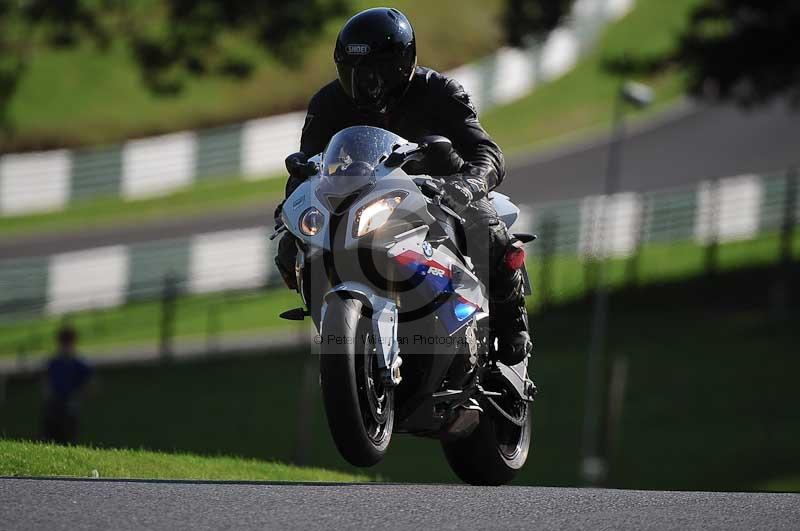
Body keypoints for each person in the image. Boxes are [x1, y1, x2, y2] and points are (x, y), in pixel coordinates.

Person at [275, 7, 531, 365]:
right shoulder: (328, 103)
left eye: (374, 72)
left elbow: (486, 150)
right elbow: (306, 164)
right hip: (362, 198)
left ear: (401, 65)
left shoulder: (439, 91)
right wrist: (293, 202)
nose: (363, 84)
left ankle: (512, 322)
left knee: (489, 232)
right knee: (291, 247)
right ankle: (340, 330)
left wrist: (470, 183)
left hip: (441, 191)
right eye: (352, 72)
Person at [41, 325, 93, 444]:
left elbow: (90, 384)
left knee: (68, 437)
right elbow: (46, 383)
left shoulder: (79, 364)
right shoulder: (54, 362)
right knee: (49, 437)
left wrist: (78, 396)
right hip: (54, 405)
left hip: (70, 406)